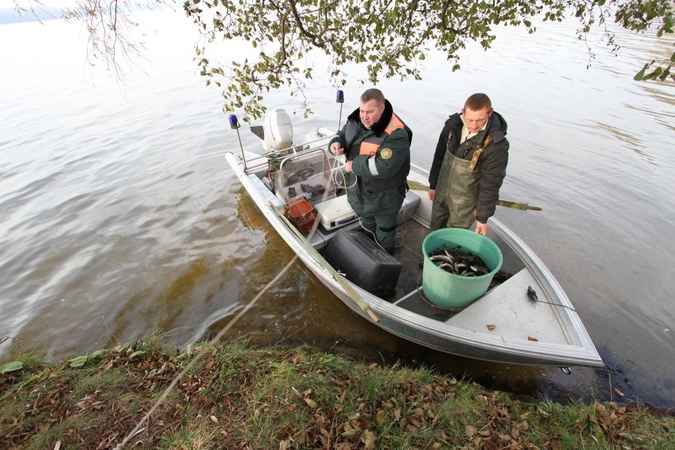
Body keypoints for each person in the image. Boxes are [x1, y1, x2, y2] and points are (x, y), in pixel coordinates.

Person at [329, 88, 413, 255]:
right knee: (367, 224)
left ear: (382, 108)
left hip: (385, 198)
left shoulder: (397, 134)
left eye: (370, 111)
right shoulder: (355, 121)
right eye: (362, 111)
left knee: (385, 231)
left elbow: (384, 167)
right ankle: (369, 247)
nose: (364, 116)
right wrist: (335, 144)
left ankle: (385, 255)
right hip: (359, 193)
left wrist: (353, 166)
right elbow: (341, 134)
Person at [428, 93, 509, 235]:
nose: (474, 125)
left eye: (480, 120)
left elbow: (491, 183)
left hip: (465, 202)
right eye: (470, 119)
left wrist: (482, 218)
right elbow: (439, 155)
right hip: (442, 190)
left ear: (490, 113)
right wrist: (433, 184)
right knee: (435, 225)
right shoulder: (452, 125)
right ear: (463, 112)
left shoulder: (496, 145)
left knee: (454, 236)